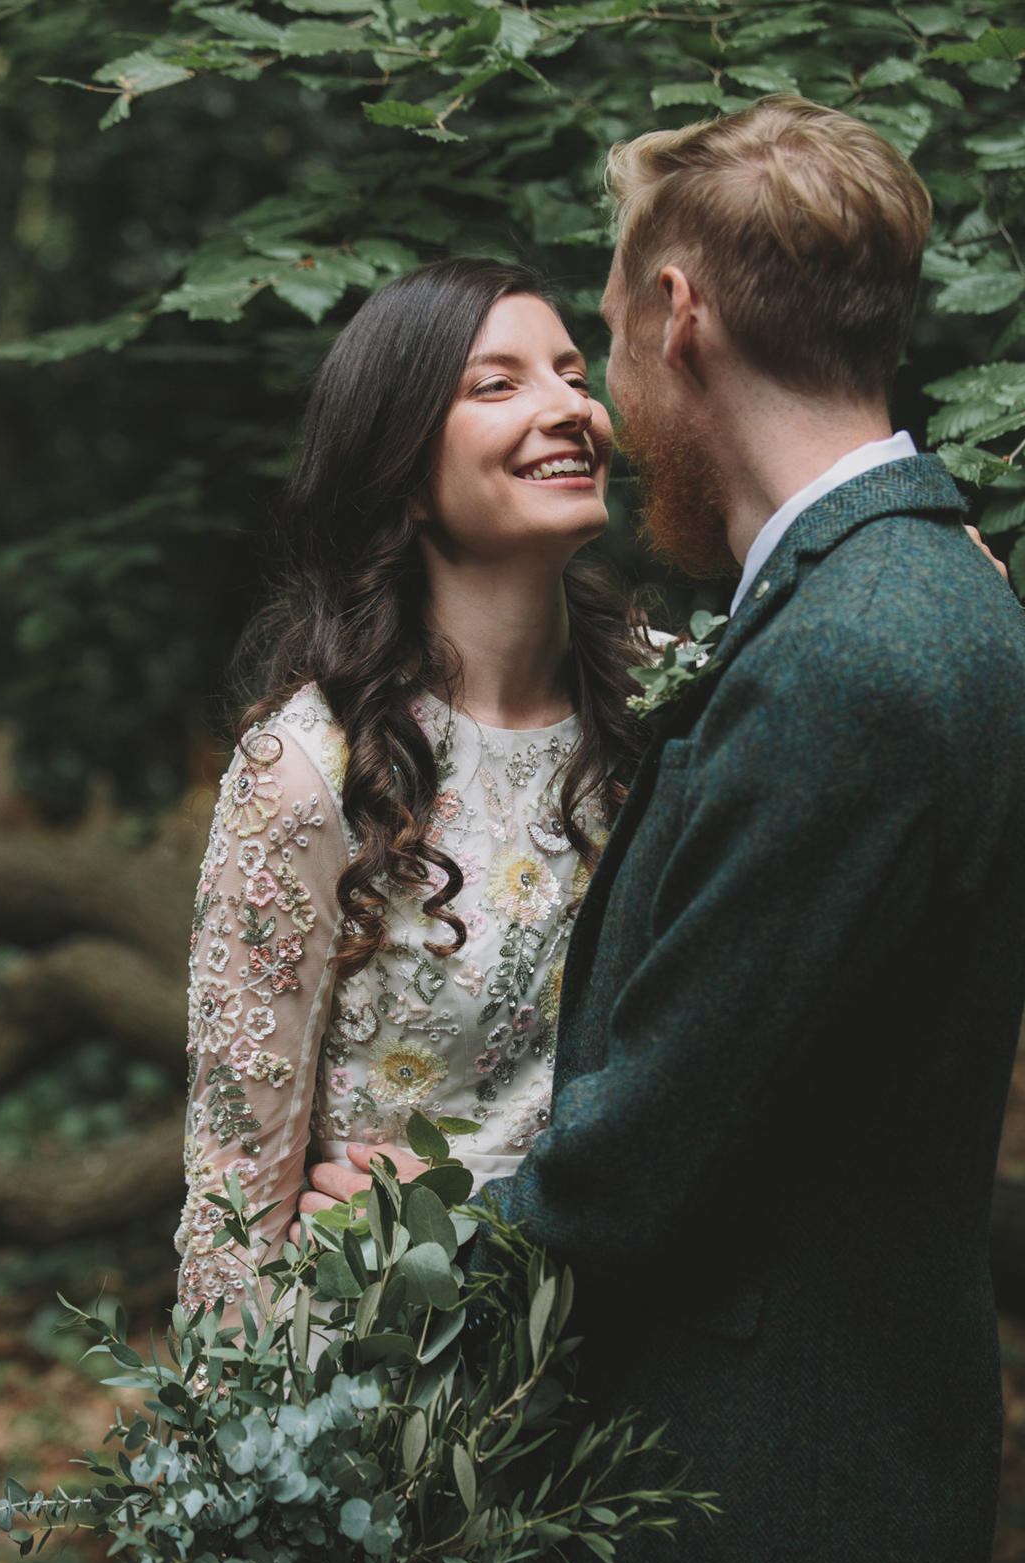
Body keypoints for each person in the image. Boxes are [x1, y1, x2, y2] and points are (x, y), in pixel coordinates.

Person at [302, 99, 1025, 1563]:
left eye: (607, 337)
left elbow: (660, 1152)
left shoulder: (858, 655)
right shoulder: (906, 597)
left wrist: (403, 1246)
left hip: (760, 1498)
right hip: (790, 1465)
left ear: (680, 314)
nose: (605, 408)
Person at [176, 257, 658, 1317]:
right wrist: (239, 1469)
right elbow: (231, 1211)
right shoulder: (307, 775)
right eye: (500, 385)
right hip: (383, 1386)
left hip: (634, 1375)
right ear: (399, 469)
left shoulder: (680, 710)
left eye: (575, 375)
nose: (570, 409)